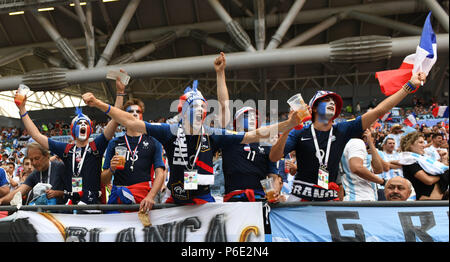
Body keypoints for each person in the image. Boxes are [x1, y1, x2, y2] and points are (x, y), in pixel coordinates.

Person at [82, 82, 302, 205]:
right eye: (193, 108)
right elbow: (130, 120)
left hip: (204, 200)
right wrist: (98, 103)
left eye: (202, 108)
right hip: (175, 201)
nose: (199, 112)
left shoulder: (213, 134)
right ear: (182, 111)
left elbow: (255, 135)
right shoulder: (168, 131)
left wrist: (289, 123)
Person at [269, 71, 427, 202]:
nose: (331, 102)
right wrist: (289, 127)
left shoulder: (342, 129)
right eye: (326, 101)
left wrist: (409, 86)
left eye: (333, 101)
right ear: (314, 109)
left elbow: (378, 111)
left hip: (327, 199)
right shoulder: (299, 132)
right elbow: (274, 156)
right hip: (299, 198)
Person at [16, 76, 125, 205]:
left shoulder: (96, 146)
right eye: (80, 123)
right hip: (71, 206)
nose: (83, 125)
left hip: (94, 205)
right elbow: (36, 135)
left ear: (90, 129)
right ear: (73, 130)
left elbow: (115, 119)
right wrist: (22, 109)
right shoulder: (66, 150)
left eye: (86, 123)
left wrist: (120, 93)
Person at [214, 52, 280, 202]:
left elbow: (272, 174)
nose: (251, 118)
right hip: (234, 200)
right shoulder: (229, 140)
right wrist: (220, 73)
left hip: (260, 200)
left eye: (255, 116)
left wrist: (274, 191)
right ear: (236, 122)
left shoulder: (266, 145)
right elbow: (224, 106)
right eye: (246, 115)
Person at [102, 98, 166, 212]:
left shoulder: (153, 141)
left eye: (138, 112)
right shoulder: (114, 142)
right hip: (119, 201)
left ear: (142, 116)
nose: (135, 114)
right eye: (130, 112)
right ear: (124, 116)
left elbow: (160, 173)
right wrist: (111, 169)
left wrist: (150, 197)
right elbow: (103, 180)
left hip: (143, 199)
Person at [0, 142, 67, 205]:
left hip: (62, 214)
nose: (34, 163)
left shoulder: (60, 167)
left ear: (46, 156)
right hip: (43, 214)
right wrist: (2, 200)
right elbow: (20, 191)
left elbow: (74, 192)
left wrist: (59, 193)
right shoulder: (35, 174)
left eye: (37, 158)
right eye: (31, 160)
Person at [395, 132, 449, 200]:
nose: (424, 145)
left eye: (423, 142)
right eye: (420, 142)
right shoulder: (409, 161)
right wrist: (443, 174)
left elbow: (442, 169)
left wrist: (444, 159)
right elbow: (428, 180)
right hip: (425, 203)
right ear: (410, 144)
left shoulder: (424, 161)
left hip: (439, 202)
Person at [340, 129, 386, 201]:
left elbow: (378, 170)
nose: (371, 132)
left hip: (364, 196)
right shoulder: (356, 142)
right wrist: (381, 181)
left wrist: (371, 144)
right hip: (359, 197)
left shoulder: (361, 146)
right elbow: (356, 168)